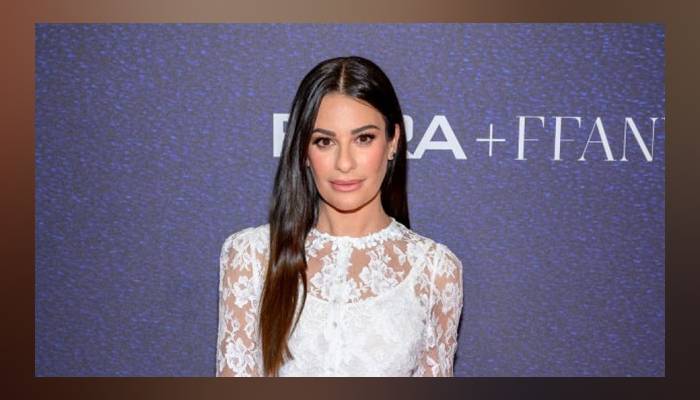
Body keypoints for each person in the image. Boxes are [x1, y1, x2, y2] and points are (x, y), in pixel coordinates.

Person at [216, 56, 463, 377]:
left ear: (393, 142)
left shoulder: (435, 272)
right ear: (304, 151)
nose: (344, 163)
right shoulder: (250, 257)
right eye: (325, 141)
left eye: (363, 138)